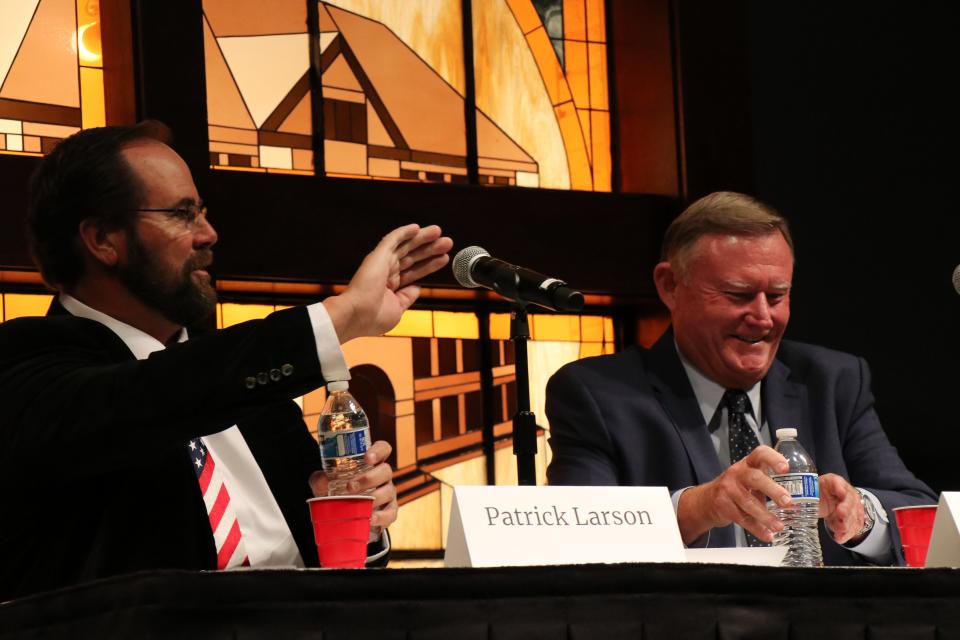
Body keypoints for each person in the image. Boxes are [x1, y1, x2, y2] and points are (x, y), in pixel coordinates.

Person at [0, 121, 452, 600]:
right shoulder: (27, 360)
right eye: (182, 214)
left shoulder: (254, 391)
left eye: (203, 213)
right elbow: (156, 395)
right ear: (103, 239)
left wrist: (358, 524)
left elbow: (331, 569)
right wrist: (343, 315)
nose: (209, 234)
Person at [546, 191, 935, 565]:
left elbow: (921, 513)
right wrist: (697, 508)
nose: (763, 317)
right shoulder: (596, 395)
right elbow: (582, 536)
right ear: (670, 286)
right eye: (737, 294)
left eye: (777, 296)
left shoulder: (834, 382)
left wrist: (860, 513)